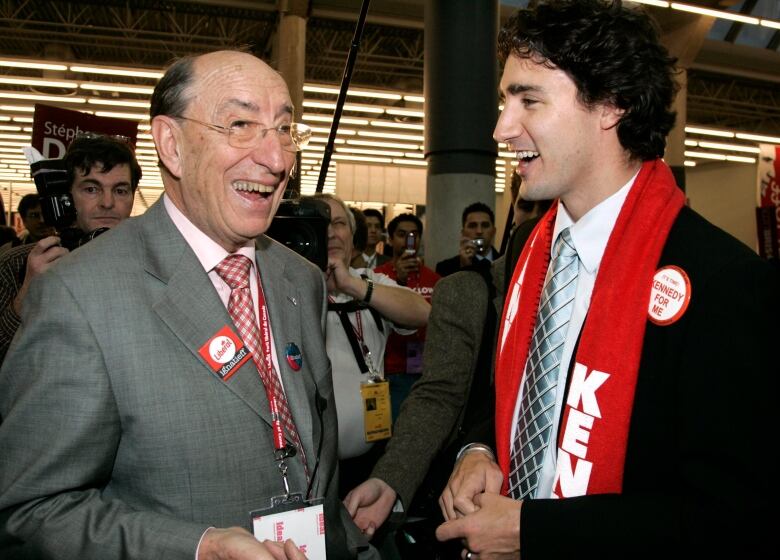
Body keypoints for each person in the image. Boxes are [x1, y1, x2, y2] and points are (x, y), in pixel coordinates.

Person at [0, 50, 377, 560]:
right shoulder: (80, 295)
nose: (278, 159)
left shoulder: (300, 278)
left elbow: (314, 455)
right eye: (241, 124)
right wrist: (197, 548)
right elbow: (29, 511)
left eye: (285, 129)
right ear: (171, 145)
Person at [437, 2, 777, 559]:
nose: (502, 128)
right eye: (505, 100)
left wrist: (535, 533)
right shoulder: (528, 250)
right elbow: (501, 390)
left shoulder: (722, 281)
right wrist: (476, 449)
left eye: (529, 100)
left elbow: (735, 517)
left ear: (611, 105)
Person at [312, 194, 430, 496]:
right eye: (320, 223)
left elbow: (422, 312)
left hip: (369, 461)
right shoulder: (287, 286)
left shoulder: (370, 282)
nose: (330, 232)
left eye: (339, 223)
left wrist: (351, 286)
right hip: (310, 468)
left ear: (353, 236)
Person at [0, 133, 141, 363]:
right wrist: (27, 293)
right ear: (68, 196)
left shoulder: (152, 266)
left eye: (120, 190)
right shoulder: (16, 265)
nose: (107, 202)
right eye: (91, 189)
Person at [374, 213, 440, 418]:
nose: (407, 240)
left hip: (424, 372)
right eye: (401, 235)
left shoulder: (435, 279)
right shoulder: (378, 276)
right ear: (391, 239)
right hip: (390, 370)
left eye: (413, 235)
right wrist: (399, 280)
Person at [435, 202, 500, 277]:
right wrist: (465, 267)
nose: (479, 231)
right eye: (472, 226)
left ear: (493, 231)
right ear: (463, 233)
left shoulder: (508, 264)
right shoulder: (445, 268)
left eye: (485, 225)